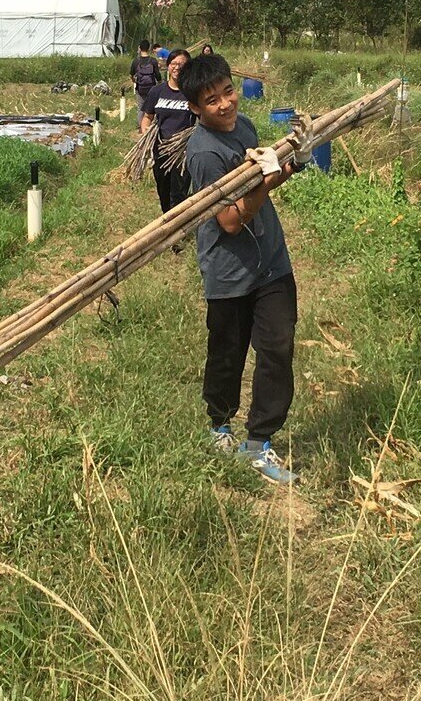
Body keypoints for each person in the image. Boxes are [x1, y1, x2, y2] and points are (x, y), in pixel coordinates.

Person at [179, 52, 310, 486]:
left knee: (277, 347)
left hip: (270, 261)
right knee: (227, 355)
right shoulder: (203, 154)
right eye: (211, 99)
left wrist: (288, 166)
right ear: (196, 108)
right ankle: (219, 426)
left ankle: (259, 443)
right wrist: (267, 180)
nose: (225, 104)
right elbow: (231, 221)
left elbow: (263, 185)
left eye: (228, 91)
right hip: (228, 270)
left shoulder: (247, 126)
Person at [139, 47, 196, 217]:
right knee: (163, 191)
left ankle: (177, 231)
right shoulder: (157, 91)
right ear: (168, 66)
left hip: (182, 153)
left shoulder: (192, 93)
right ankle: (168, 220)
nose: (177, 67)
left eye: (182, 64)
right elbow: (147, 116)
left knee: (178, 194)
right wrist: (146, 135)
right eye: (174, 63)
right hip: (160, 150)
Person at [129, 41, 161, 107]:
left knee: (141, 108)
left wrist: (133, 80)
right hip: (151, 88)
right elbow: (158, 76)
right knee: (152, 108)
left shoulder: (136, 61)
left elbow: (131, 75)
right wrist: (160, 85)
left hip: (140, 88)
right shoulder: (153, 60)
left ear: (139, 48)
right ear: (149, 48)